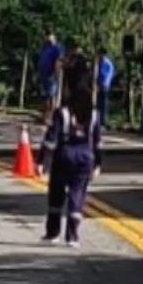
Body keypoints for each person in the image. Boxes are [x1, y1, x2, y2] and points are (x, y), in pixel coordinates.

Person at [42, 56, 103, 247]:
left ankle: (53, 233)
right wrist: (98, 164)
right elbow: (97, 142)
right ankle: (73, 236)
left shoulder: (63, 112)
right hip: (85, 157)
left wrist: (42, 161)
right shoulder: (94, 114)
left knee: (56, 193)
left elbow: (51, 139)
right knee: (77, 195)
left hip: (64, 156)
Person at [36, 32, 63, 123]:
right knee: (44, 96)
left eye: (50, 36)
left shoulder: (56, 48)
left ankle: (50, 117)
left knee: (51, 96)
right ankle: (44, 115)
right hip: (44, 75)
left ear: (54, 38)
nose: (48, 38)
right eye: (47, 36)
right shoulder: (45, 48)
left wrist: (56, 74)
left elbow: (58, 61)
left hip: (51, 75)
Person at [95, 49, 116, 129]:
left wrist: (103, 84)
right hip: (99, 85)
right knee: (98, 104)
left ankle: (103, 121)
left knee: (103, 104)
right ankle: (99, 120)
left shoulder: (107, 63)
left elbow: (107, 75)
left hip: (104, 86)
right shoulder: (99, 62)